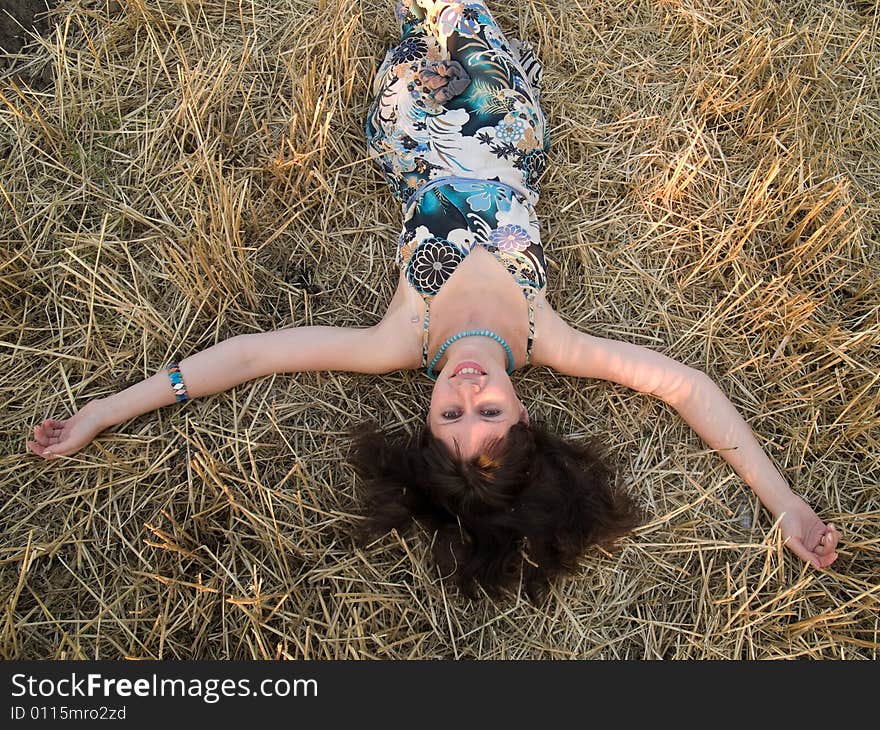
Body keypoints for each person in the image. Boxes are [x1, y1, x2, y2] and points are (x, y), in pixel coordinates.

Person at [26, 0, 839, 597]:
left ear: (424, 421)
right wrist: (784, 502)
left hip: (412, 127)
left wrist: (104, 411)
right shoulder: (547, 336)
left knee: (423, 30)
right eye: (490, 417)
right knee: (475, 28)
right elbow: (687, 387)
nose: (469, 396)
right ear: (528, 417)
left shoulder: (400, 339)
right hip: (504, 123)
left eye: (450, 418)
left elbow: (250, 357)